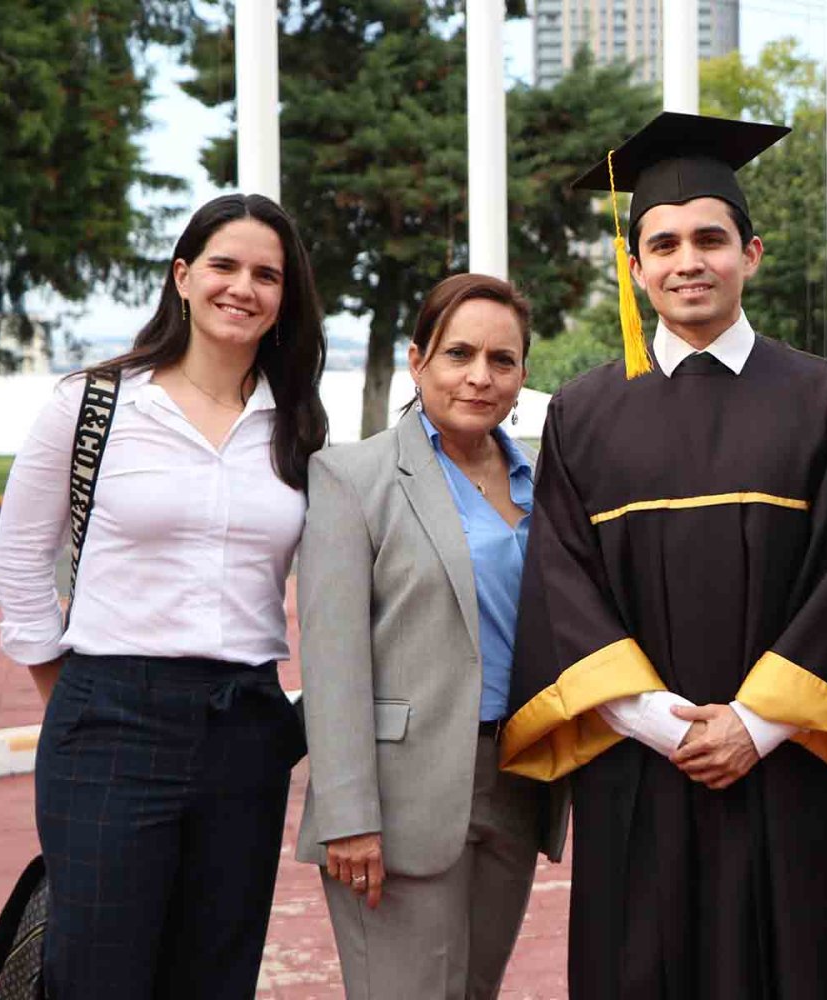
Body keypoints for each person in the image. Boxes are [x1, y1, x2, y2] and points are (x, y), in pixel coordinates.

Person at [499, 112, 827, 1000]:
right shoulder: (586, 413)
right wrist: (659, 723)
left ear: (752, 252)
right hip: (638, 761)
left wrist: (754, 727)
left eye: (711, 238)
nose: (688, 260)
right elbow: (562, 580)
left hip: (784, 766)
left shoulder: (824, 401)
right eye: (662, 242)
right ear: (635, 267)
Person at [0, 193, 328, 998]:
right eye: (223, 265)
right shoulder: (94, 402)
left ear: (285, 298)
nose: (242, 286)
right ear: (182, 276)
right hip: (108, 717)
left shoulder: (298, 426)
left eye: (266, 274)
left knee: (215, 972)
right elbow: (19, 559)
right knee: (99, 969)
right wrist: (63, 689)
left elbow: (333, 588)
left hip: (247, 725)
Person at [294, 273, 565, 999]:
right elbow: (332, 656)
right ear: (419, 361)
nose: (480, 377)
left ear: (521, 376)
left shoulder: (542, 484)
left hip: (514, 783)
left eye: (501, 361)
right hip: (397, 797)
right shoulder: (353, 477)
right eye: (459, 354)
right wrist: (349, 815)